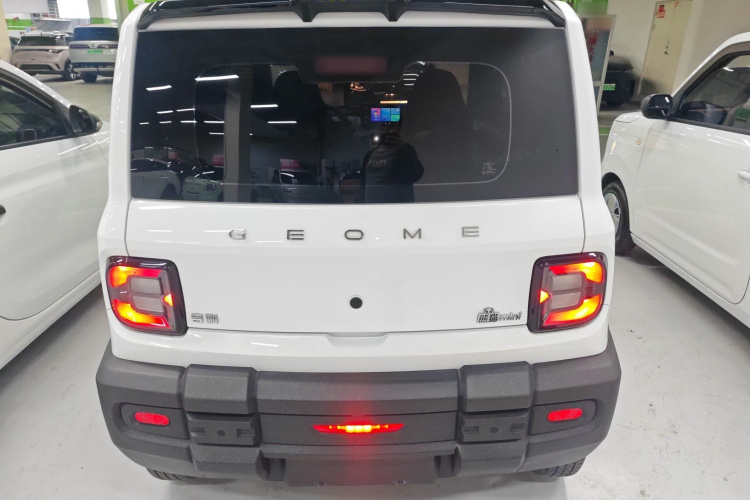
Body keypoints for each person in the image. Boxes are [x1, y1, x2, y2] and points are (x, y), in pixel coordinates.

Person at [362, 122, 424, 203]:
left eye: (391, 126)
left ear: (398, 129)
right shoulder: (370, 154)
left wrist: (402, 150)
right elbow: (362, 184)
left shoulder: (406, 150)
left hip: (397, 207)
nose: (387, 129)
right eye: (383, 125)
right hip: (371, 207)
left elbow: (416, 174)